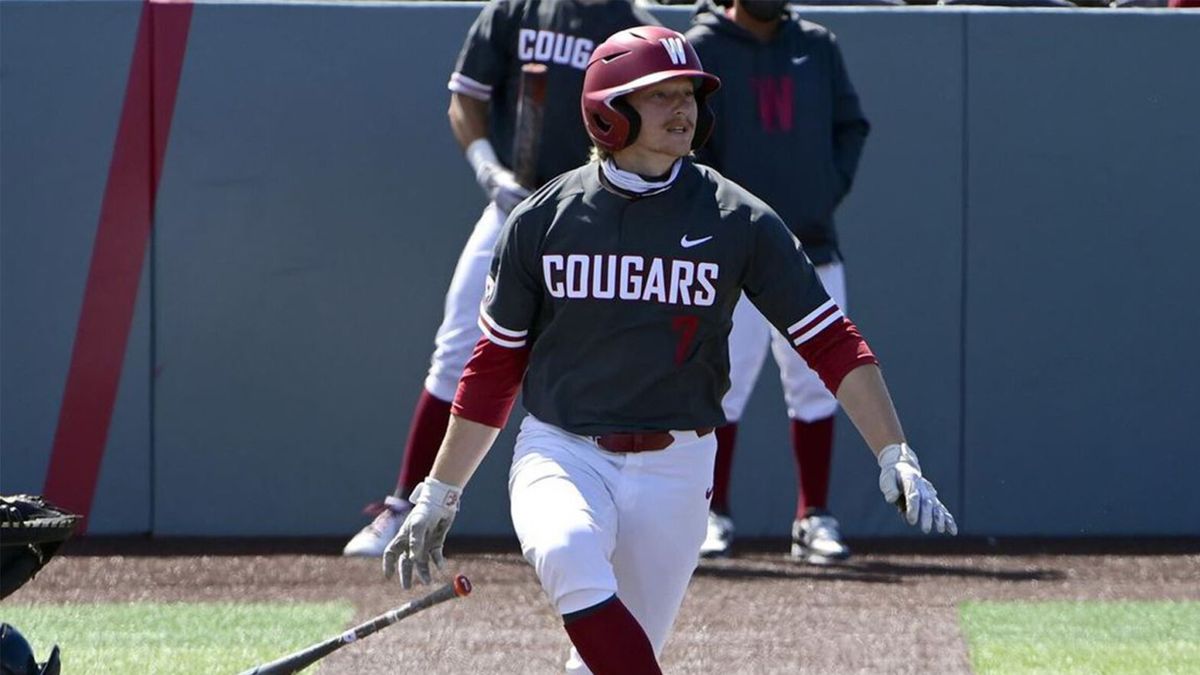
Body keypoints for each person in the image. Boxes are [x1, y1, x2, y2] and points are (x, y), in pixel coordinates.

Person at [383, 26, 957, 674]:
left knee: (603, 661)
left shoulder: (738, 218)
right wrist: (440, 491)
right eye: (660, 95)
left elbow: (828, 339)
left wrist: (894, 449)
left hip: (679, 468)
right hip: (563, 451)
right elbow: (492, 371)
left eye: (689, 93)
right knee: (570, 550)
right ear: (608, 108)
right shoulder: (541, 221)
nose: (682, 108)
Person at [343, 0, 660, 557]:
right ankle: (408, 505)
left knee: (614, 361)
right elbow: (465, 99)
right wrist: (489, 169)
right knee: (458, 348)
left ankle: (622, 520)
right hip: (513, 205)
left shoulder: (635, 23)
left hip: (601, 211)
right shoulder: (515, 10)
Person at [685, 0, 871, 563]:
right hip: (730, 253)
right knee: (722, 385)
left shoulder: (817, 43)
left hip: (810, 245)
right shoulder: (702, 46)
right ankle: (711, 514)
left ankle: (813, 515)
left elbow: (851, 127)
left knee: (819, 384)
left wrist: (820, 194)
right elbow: (685, 142)